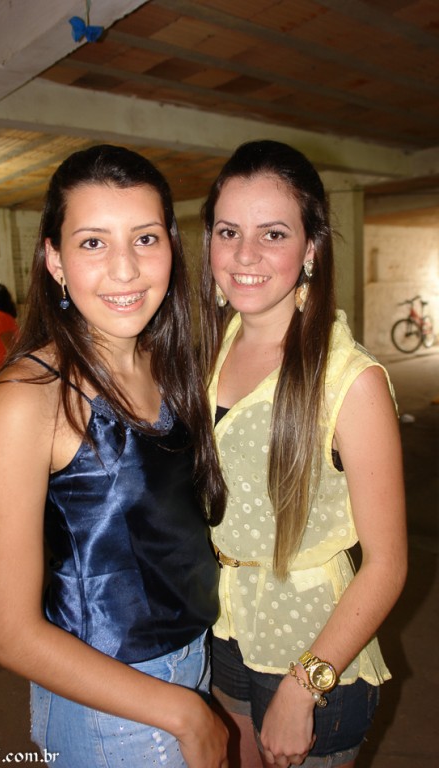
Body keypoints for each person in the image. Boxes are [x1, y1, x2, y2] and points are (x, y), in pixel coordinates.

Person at [0, 145, 229, 768]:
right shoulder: (28, 399)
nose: (126, 269)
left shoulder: (166, 365)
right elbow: (8, 632)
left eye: (145, 238)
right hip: (110, 707)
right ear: (55, 261)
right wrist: (184, 714)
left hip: (190, 662)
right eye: (93, 243)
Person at [199, 140, 407, 768]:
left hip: (313, 647)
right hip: (224, 626)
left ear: (311, 247)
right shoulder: (212, 346)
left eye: (273, 233)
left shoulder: (351, 382)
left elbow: (387, 565)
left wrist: (305, 684)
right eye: (229, 232)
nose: (245, 255)